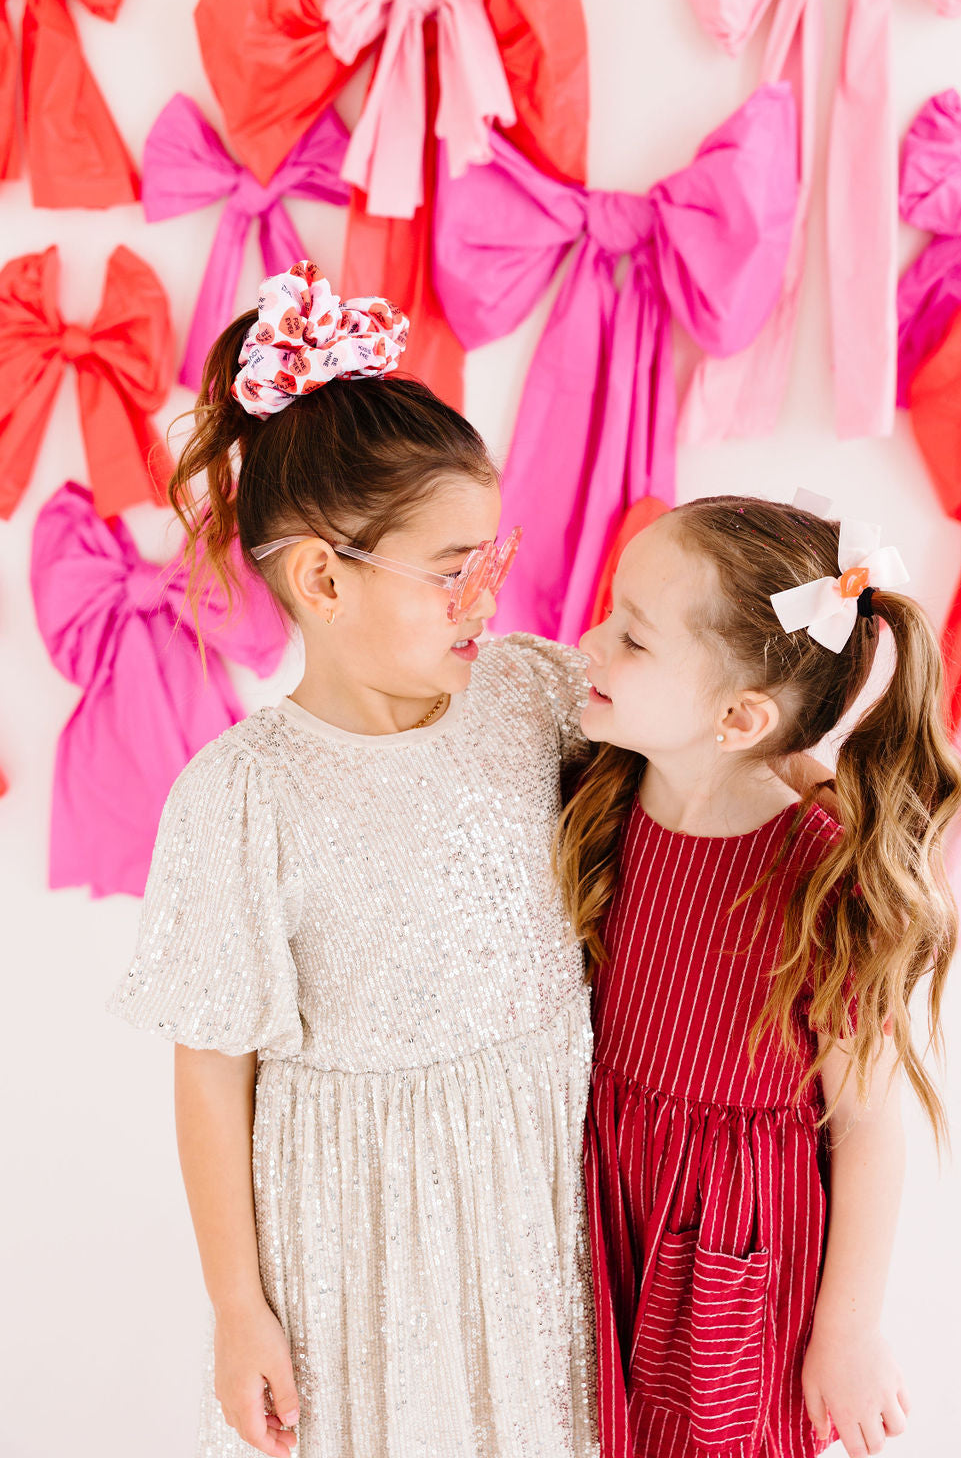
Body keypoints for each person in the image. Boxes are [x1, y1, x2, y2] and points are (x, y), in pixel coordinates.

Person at [107, 262, 598, 1458]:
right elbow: (212, 1073)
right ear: (324, 577)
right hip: (362, 1241)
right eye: (449, 569)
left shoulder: (535, 698)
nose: (487, 590)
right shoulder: (242, 796)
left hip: (541, 1201)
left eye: (493, 552)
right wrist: (238, 1309)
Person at [556, 496, 961, 1458]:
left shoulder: (821, 879)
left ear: (738, 717)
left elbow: (867, 1129)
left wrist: (849, 1331)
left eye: (634, 639)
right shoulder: (607, 792)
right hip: (608, 1200)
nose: (590, 641)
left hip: (729, 1249)